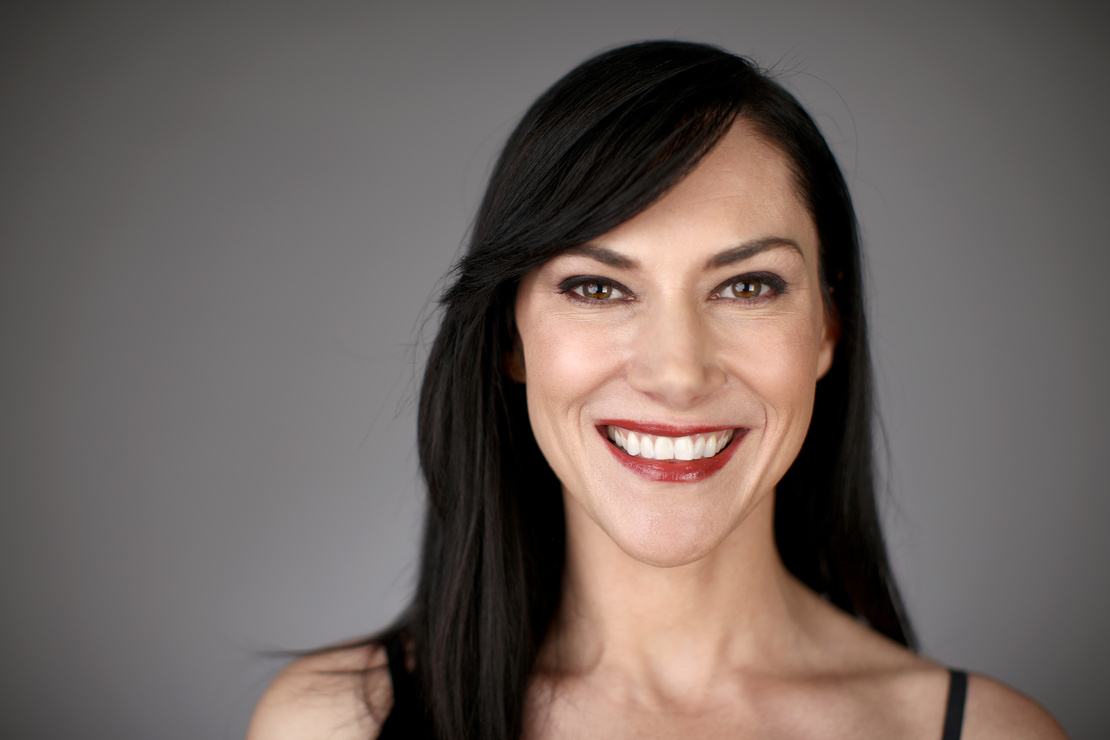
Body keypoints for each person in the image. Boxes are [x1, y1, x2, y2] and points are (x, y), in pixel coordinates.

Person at [248, 41, 1066, 739]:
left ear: (827, 326)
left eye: (747, 286)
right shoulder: (340, 725)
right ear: (510, 338)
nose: (677, 374)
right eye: (598, 288)